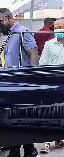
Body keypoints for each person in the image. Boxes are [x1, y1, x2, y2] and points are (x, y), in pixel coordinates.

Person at [0, 8, 39, 157]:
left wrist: (34, 81)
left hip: (23, 83)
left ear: (8, 18)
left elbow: (33, 55)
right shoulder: (7, 35)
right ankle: (27, 150)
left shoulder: (22, 32)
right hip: (11, 83)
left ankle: (22, 151)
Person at [39, 17, 64, 153]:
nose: (59, 30)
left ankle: (59, 139)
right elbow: (43, 64)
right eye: (57, 27)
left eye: (61, 27)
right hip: (51, 83)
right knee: (50, 111)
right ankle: (47, 141)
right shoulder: (49, 44)